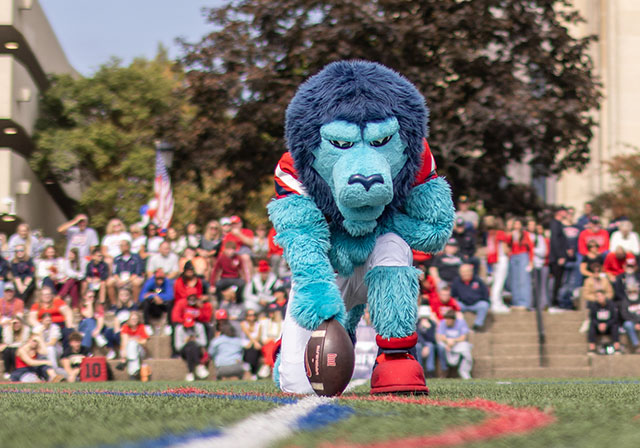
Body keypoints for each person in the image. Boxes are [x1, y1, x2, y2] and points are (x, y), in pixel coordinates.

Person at [450, 264, 490, 330]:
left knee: (484, 305)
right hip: (462, 303)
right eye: (463, 272)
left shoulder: (478, 280)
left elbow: (485, 293)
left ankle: (478, 325)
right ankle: (457, 326)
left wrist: (485, 300)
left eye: (467, 271)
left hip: (476, 303)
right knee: (454, 305)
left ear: (471, 272)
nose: (465, 274)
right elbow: (452, 295)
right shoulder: (456, 281)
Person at [436, 310, 473, 379]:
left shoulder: (461, 323)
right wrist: (448, 341)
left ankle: (464, 371)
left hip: (458, 344)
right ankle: (444, 369)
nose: (447, 322)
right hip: (447, 345)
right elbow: (441, 336)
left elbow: (463, 337)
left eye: (449, 320)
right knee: (440, 346)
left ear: (454, 320)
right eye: (446, 320)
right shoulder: (443, 323)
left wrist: (454, 341)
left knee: (467, 352)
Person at [506, 218, 533, 309]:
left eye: (518, 224)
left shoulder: (525, 234)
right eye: (515, 224)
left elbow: (530, 247)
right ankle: (516, 301)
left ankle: (524, 302)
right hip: (513, 256)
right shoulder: (512, 234)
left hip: (523, 256)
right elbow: (507, 244)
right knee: (514, 280)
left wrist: (531, 261)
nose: (517, 226)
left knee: (523, 280)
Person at [484, 216, 510, 313]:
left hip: (494, 260)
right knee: (499, 282)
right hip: (501, 259)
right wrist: (509, 251)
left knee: (496, 281)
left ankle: (498, 302)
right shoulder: (501, 234)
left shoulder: (490, 234)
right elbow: (504, 248)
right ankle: (496, 303)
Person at [174, 311, 209, 382]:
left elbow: (204, 342)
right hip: (184, 350)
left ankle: (190, 372)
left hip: (197, 349)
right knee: (189, 346)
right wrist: (186, 342)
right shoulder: (179, 329)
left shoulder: (199, 327)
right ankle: (199, 366)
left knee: (192, 346)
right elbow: (178, 346)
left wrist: (195, 340)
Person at [108, 240, 144, 306]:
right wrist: (119, 280)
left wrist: (127, 281)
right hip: (120, 279)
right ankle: (114, 304)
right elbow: (114, 273)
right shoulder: (117, 258)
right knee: (109, 282)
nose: (122, 247)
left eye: (123, 245)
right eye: (120, 246)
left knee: (136, 282)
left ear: (128, 246)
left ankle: (135, 304)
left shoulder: (136, 257)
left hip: (131, 279)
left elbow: (137, 272)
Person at [139, 269, 174, 334]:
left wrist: (158, 297)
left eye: (161, 279)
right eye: (158, 279)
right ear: (155, 278)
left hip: (162, 304)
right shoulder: (150, 282)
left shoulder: (167, 282)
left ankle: (169, 325)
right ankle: (147, 325)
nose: (160, 281)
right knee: (145, 303)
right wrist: (153, 296)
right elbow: (141, 297)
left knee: (170, 303)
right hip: (152, 304)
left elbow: (170, 296)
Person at [587, 290, 621, 354]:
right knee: (591, 326)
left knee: (615, 326)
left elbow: (615, 318)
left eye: (601, 296)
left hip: (609, 325)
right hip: (598, 326)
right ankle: (592, 349)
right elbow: (592, 318)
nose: (599, 298)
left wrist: (606, 324)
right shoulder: (594, 306)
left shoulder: (611, 304)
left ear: (604, 296)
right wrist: (598, 325)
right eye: (597, 296)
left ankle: (617, 348)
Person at [222, 216, 255, 280]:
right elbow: (225, 249)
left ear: (240, 224)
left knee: (245, 257)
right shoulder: (228, 235)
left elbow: (252, 243)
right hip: (234, 255)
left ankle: (249, 280)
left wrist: (239, 234)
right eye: (232, 224)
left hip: (246, 253)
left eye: (236, 223)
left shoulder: (247, 232)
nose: (234, 226)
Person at [118, 312, 150, 380]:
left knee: (132, 343)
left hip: (141, 351)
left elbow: (144, 342)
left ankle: (133, 373)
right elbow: (124, 341)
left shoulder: (141, 327)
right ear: (129, 320)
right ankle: (134, 372)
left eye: (136, 319)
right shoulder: (125, 327)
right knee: (131, 346)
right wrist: (123, 354)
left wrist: (134, 340)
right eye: (132, 319)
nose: (134, 320)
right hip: (128, 350)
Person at [549, 207, 569, 309]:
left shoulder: (559, 224)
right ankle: (553, 303)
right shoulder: (555, 224)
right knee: (556, 282)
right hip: (556, 258)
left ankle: (556, 302)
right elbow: (555, 241)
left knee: (559, 281)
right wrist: (560, 256)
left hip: (559, 257)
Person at [531, 222, 550, 310]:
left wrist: (532, 249)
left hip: (543, 264)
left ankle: (543, 304)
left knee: (543, 285)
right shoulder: (532, 238)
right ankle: (534, 303)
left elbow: (544, 252)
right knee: (534, 285)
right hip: (533, 264)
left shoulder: (544, 239)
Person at [415, 305, 437, 377]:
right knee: (417, 346)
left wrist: (428, 330)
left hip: (428, 344)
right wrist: (421, 328)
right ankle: (419, 370)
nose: (424, 319)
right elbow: (417, 336)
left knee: (430, 346)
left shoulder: (432, 324)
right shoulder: (416, 324)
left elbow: (432, 339)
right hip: (419, 343)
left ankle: (430, 370)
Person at [240, 309, 262, 379]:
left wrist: (253, 342)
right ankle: (251, 370)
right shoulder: (243, 324)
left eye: (253, 315)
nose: (252, 317)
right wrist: (253, 342)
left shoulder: (258, 325)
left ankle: (252, 370)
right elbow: (247, 333)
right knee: (249, 347)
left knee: (255, 348)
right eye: (250, 315)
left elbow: (258, 336)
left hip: (254, 343)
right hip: (245, 342)